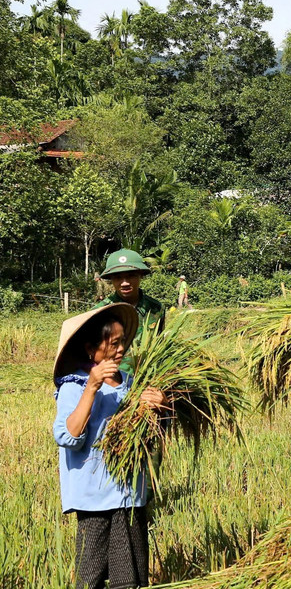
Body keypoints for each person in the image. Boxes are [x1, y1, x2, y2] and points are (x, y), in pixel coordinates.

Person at [53, 304, 168, 589]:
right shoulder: (74, 386)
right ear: (92, 349)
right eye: (113, 344)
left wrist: (160, 406)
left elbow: (149, 435)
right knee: (90, 576)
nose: (120, 351)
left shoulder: (131, 385)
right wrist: (92, 387)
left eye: (122, 343)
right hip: (94, 499)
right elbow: (67, 435)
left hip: (128, 494)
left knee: (131, 577)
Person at [92, 250, 165, 373]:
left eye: (131, 276)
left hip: (148, 378)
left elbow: (160, 345)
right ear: (111, 279)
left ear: (141, 275)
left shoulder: (156, 308)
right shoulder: (100, 312)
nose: (125, 283)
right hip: (114, 381)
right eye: (118, 277)